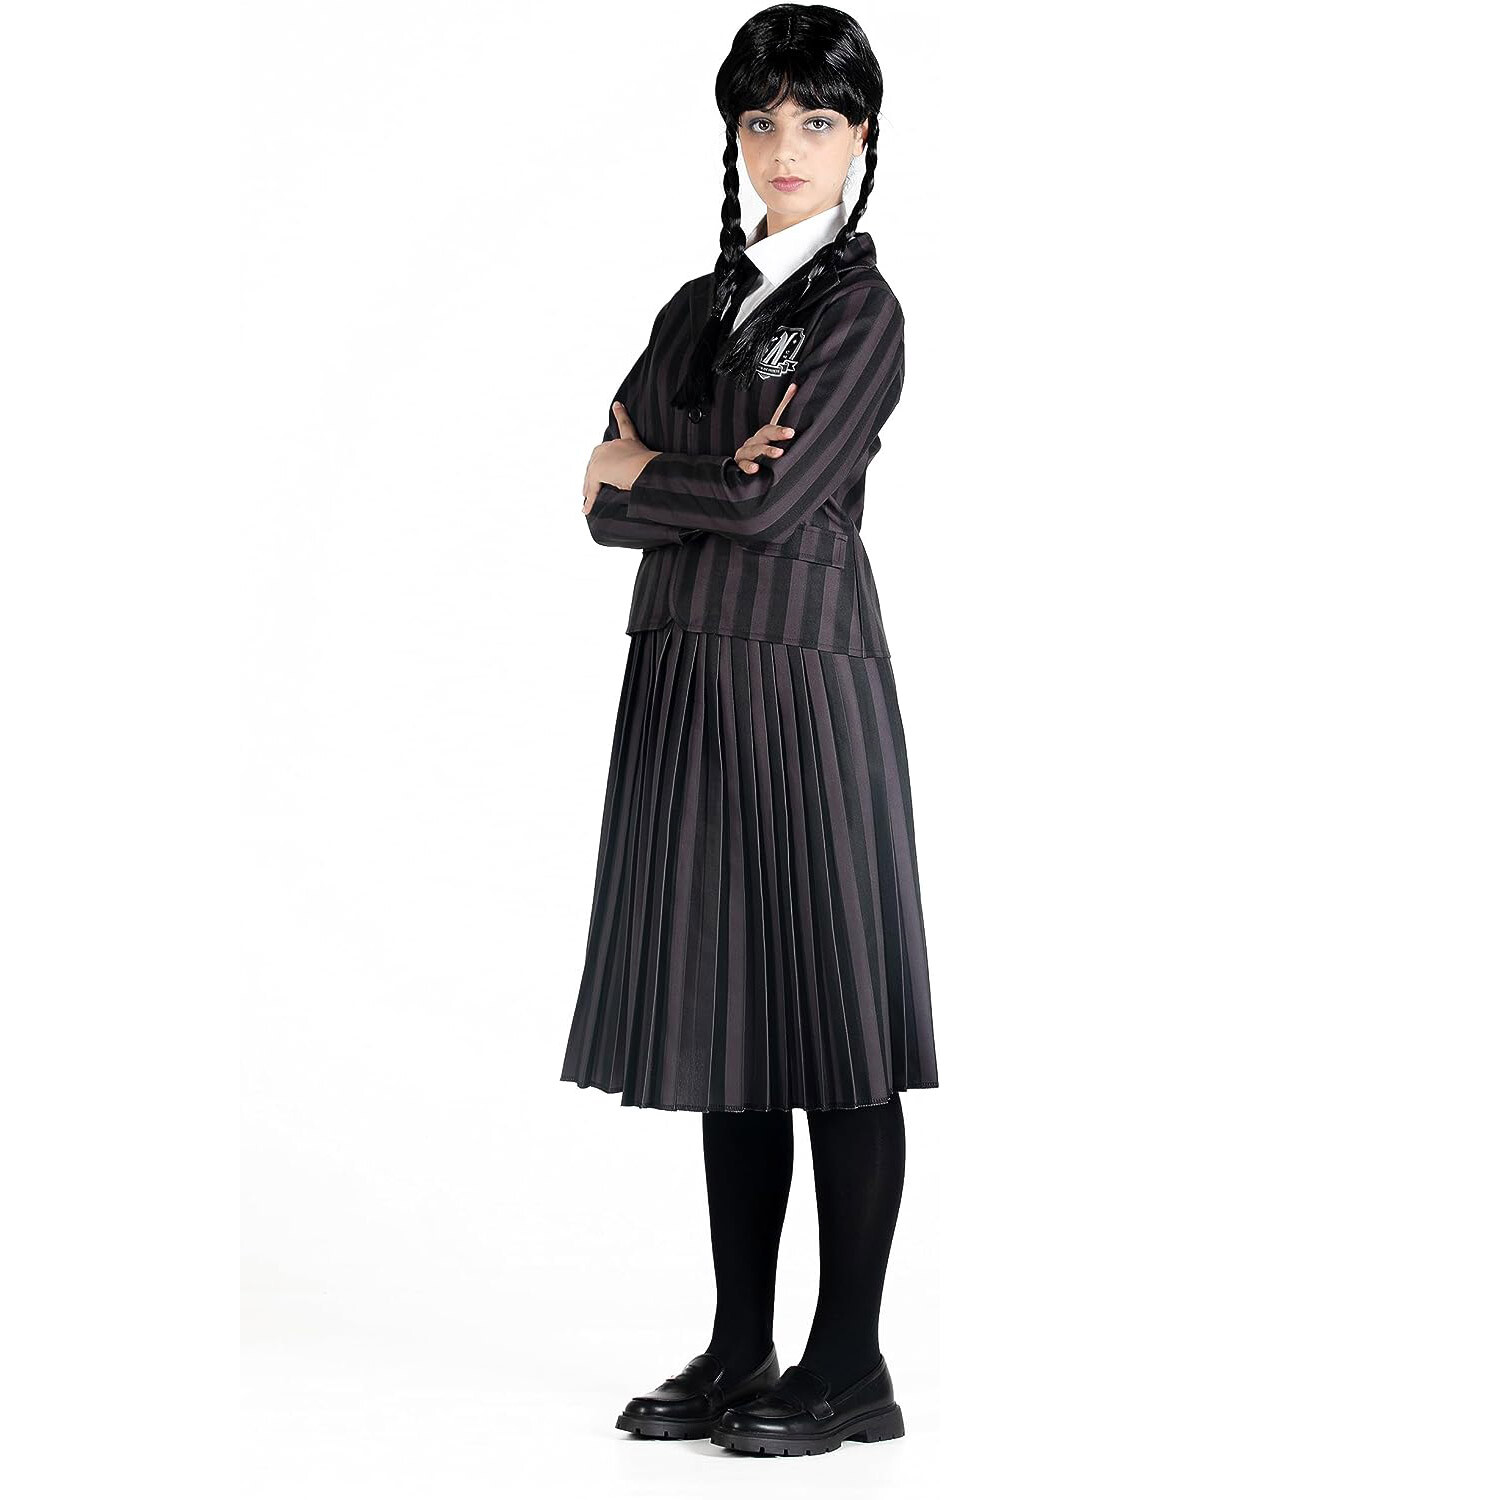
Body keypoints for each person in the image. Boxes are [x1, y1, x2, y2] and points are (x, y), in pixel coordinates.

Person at [559, 4, 939, 1458]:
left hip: (803, 680)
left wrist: (654, 464)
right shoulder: (696, 307)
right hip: (687, 675)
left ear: (860, 138)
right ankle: (740, 1345)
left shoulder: (859, 314)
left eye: (817, 121)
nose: (787, 147)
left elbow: (770, 505)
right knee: (732, 1016)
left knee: (834, 1017)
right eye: (762, 119)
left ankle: (849, 1364)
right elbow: (597, 503)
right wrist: (682, 468)